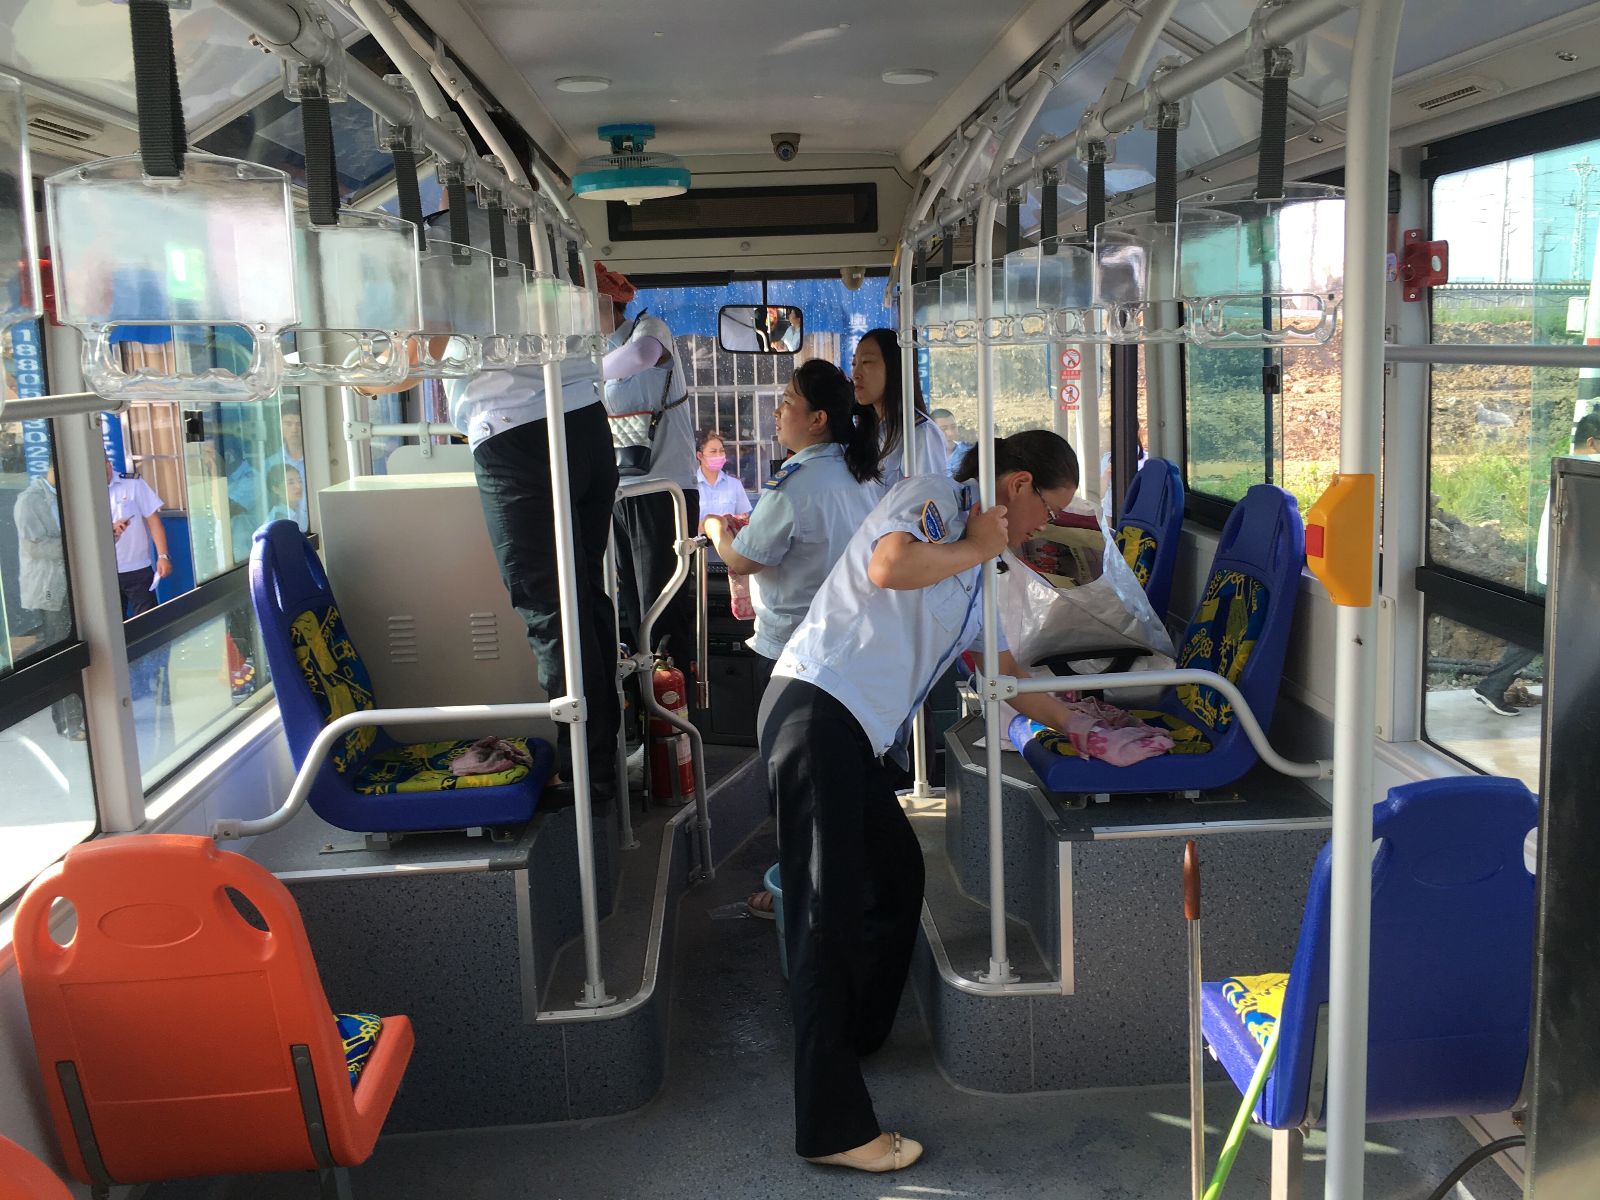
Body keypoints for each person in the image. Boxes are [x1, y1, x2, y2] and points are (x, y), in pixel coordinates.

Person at [761, 430, 1083, 1173]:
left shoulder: (980, 567)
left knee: (899, 875)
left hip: (852, 733)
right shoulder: (937, 497)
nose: (1044, 528)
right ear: (1018, 485)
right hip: (817, 711)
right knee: (826, 921)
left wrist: (1084, 726)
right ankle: (834, 1128)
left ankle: (853, 1035)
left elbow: (1004, 672)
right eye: (1048, 510)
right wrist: (975, 544)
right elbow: (889, 565)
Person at [602, 264, 699, 675]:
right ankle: (642, 704)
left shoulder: (649, 330)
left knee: (661, 613)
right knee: (632, 609)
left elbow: (640, 357)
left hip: (663, 489)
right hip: (621, 490)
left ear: (606, 303)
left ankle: (672, 704)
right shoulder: (589, 349)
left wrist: (574, 369)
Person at [1475, 408, 1600, 715]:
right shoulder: (1581, 474)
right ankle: (1494, 687)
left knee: (1539, 633)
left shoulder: (1568, 471)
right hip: (1570, 572)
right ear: (1592, 442)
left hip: (1559, 568)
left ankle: (1493, 687)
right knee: (1542, 634)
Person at [14, 466, 84, 737]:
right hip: (50, 589)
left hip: (73, 585)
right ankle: (68, 723)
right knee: (60, 652)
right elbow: (34, 547)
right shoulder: (29, 501)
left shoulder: (67, 495)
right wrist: (76, 544)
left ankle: (78, 716)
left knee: (72, 649)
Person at [851, 328, 946, 490]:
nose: (856, 373)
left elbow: (927, 498)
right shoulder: (867, 431)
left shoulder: (919, 433)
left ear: (894, 367)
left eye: (866, 362)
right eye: (854, 364)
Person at [107, 458, 171, 618]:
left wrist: (163, 556)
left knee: (149, 622)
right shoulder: (84, 491)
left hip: (137, 568)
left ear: (108, 463)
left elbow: (153, 521)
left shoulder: (132, 483)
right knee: (112, 624)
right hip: (104, 572)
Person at [266, 399, 309, 531]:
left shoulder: (317, 461)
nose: (294, 429)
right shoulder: (271, 463)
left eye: (298, 424)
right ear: (280, 426)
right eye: (288, 424)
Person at [694, 429, 750, 531]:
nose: (719, 455)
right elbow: (686, 524)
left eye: (722, 451)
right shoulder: (691, 486)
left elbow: (744, 520)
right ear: (700, 456)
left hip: (729, 540)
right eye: (713, 451)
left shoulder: (735, 484)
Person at [931, 408, 972, 476]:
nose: (950, 433)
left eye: (953, 427)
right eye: (943, 429)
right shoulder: (928, 455)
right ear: (932, 431)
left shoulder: (967, 452)